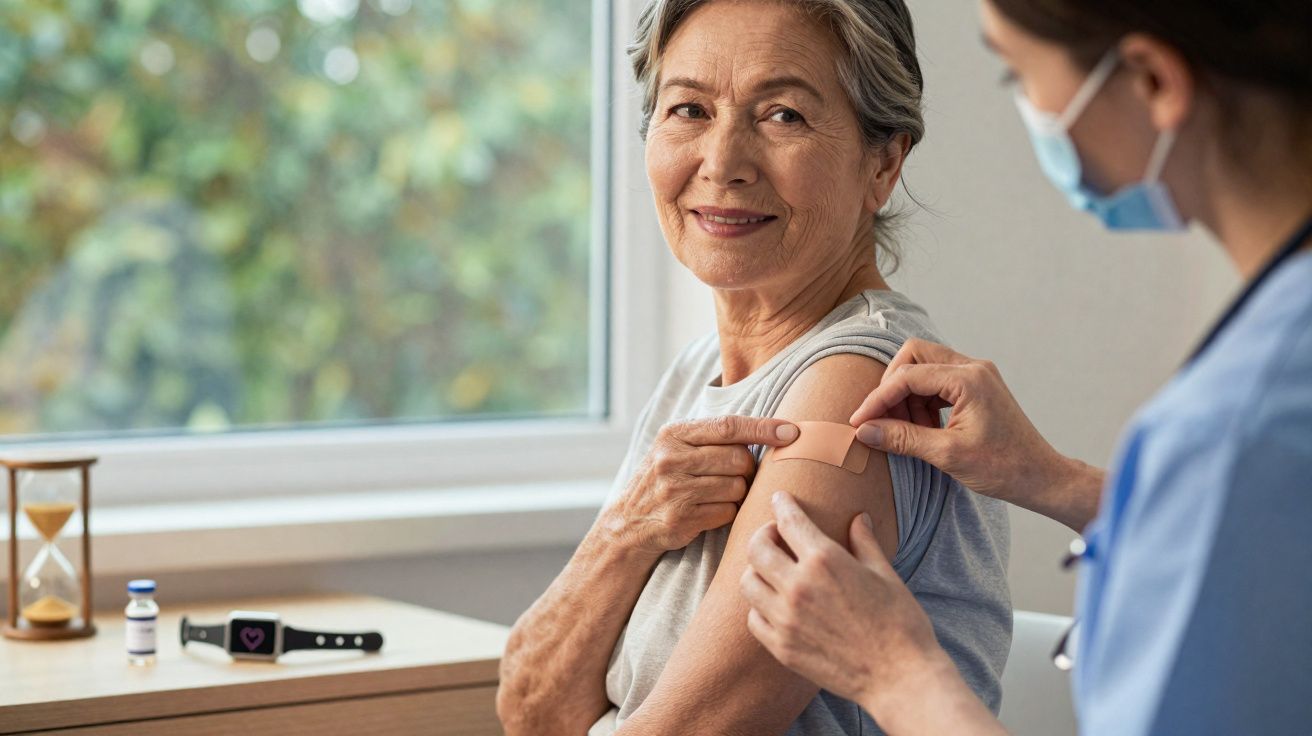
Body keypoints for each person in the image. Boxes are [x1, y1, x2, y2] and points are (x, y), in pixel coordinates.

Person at [740, 0, 1312, 733]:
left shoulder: (1237, 426)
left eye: (1021, 75)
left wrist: (894, 674)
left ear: (1151, 81)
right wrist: (1053, 479)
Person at [496, 0, 1014, 734]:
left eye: (784, 116)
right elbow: (529, 711)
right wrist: (625, 534)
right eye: (688, 109)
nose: (722, 163)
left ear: (883, 162)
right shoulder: (695, 376)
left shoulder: (858, 390)